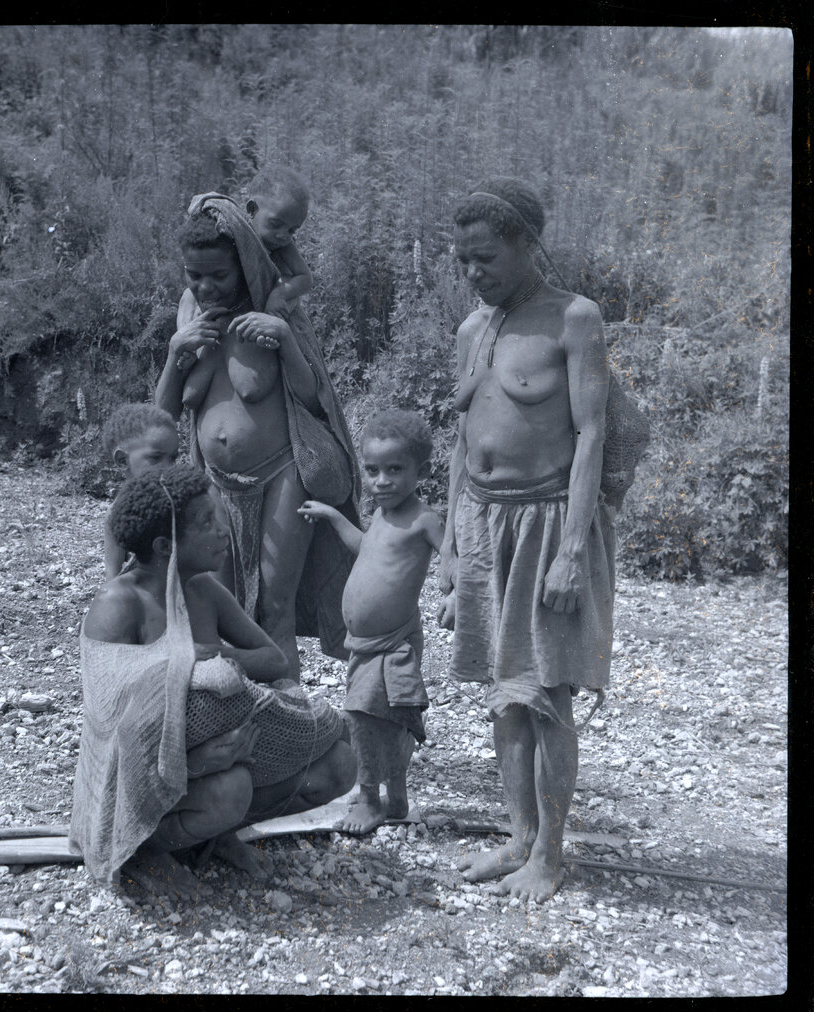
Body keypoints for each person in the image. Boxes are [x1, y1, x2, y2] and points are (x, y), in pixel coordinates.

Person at [438, 177, 616, 904]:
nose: (474, 274)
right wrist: (451, 548)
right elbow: (460, 439)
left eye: (485, 258)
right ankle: (516, 837)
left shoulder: (574, 319)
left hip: (549, 525)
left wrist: (573, 550)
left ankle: (549, 852)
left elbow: (591, 435)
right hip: (483, 524)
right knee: (503, 696)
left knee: (547, 696)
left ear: (526, 245)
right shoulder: (471, 329)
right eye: (463, 262)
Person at [69, 463, 357, 886]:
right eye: (207, 523)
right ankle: (143, 850)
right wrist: (200, 762)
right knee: (232, 789)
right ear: (166, 545)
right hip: (138, 780)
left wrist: (213, 653)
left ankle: (215, 836)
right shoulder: (119, 603)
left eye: (218, 517)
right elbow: (110, 727)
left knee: (339, 766)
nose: (223, 531)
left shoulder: (204, 591)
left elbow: (273, 661)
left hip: (222, 753)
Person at [156, 193, 360, 681]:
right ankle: (232, 715)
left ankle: (287, 722)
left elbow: (315, 404)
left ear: (244, 266)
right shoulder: (190, 319)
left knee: (273, 604)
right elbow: (162, 418)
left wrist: (284, 339)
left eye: (219, 277)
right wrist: (173, 354)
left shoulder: (274, 309)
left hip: (280, 473)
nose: (205, 287)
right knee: (215, 603)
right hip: (214, 481)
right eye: (194, 276)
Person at [298, 409, 444, 835]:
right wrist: (332, 516)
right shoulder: (382, 515)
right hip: (365, 644)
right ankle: (396, 800)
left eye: (395, 470)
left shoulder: (424, 519)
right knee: (388, 717)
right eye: (373, 470)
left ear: (421, 470)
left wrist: (453, 595)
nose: (382, 481)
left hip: (392, 642)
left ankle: (368, 800)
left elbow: (453, 559)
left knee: (364, 717)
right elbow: (364, 548)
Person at [100, 402, 180, 580]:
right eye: (155, 458)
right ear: (122, 461)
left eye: (173, 458)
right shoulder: (118, 515)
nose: (168, 467)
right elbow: (112, 578)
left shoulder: (181, 503)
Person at [244, 165, 314, 319]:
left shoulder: (283, 246)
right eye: (276, 224)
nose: (283, 236)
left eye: (292, 230)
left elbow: (305, 277)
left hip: (267, 307)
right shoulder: (238, 234)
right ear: (251, 210)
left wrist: (279, 294)